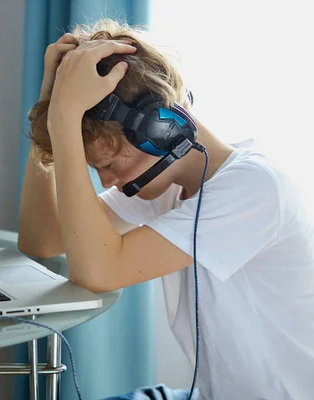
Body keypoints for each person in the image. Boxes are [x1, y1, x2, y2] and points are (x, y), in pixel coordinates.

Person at [17, 18, 314, 400]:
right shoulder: (166, 187)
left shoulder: (254, 188)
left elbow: (98, 271)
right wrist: (50, 109)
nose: (106, 183)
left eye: (108, 166)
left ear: (161, 130)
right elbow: (42, 239)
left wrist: (65, 116)